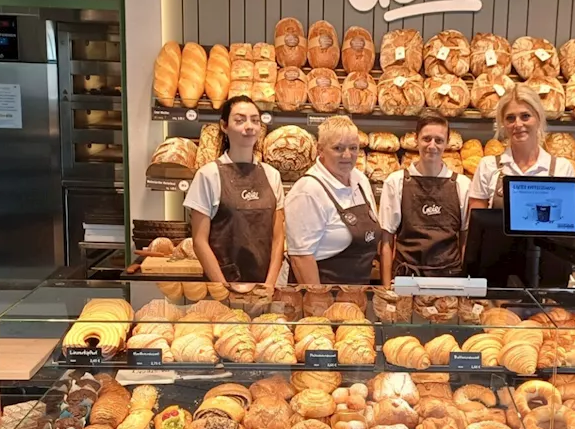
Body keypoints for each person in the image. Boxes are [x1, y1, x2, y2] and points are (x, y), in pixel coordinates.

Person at [466, 84, 575, 286]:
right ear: (503, 124)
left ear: (538, 118)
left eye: (525, 116)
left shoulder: (562, 169)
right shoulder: (488, 167)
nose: (518, 124)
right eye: (510, 118)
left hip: (548, 278)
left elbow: (567, 238)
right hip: (496, 278)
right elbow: (476, 235)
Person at [183, 95, 286, 285]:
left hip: (264, 287)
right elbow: (199, 241)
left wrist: (269, 285)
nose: (249, 126)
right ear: (224, 126)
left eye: (255, 120)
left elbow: (278, 237)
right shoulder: (208, 175)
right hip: (220, 287)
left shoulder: (272, 175)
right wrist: (223, 288)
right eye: (240, 120)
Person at [285, 115, 381, 284]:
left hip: (357, 291)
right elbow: (301, 258)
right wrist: (317, 300)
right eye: (338, 148)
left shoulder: (360, 180)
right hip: (324, 291)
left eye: (353, 148)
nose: (347, 155)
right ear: (320, 149)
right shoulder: (308, 190)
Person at [379, 115, 471, 287]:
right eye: (426, 139)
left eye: (439, 140)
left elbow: (465, 240)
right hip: (406, 277)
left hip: (449, 279)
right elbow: (386, 241)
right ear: (416, 139)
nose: (432, 146)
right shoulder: (396, 182)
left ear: (447, 142)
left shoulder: (462, 185)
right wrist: (386, 288)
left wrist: (465, 284)